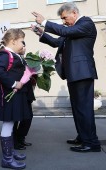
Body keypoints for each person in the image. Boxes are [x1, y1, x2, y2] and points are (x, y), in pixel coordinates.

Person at [32, 2, 101, 152]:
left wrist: (45, 22)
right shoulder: (72, 30)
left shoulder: (86, 23)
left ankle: (91, 143)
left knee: (84, 109)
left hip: (82, 73)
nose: (63, 22)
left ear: (74, 13)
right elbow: (58, 42)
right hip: (74, 73)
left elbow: (65, 32)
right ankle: (83, 137)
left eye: (64, 18)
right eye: (62, 19)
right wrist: (41, 33)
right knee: (77, 109)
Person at [0, 28, 32, 169]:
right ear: (14, 41)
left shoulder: (13, 54)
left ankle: (10, 152)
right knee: (8, 124)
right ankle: (7, 158)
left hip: (15, 95)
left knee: (11, 124)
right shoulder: (5, 55)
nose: (23, 44)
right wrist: (14, 83)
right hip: (9, 95)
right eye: (22, 41)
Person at [13, 45, 36, 150]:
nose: (24, 48)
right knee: (16, 118)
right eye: (22, 46)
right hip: (18, 91)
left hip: (27, 92)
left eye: (25, 46)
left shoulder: (26, 60)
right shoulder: (13, 58)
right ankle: (15, 141)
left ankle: (21, 138)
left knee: (28, 117)